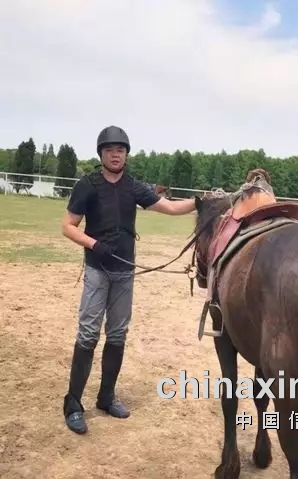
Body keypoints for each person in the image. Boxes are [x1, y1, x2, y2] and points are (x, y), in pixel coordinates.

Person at [61, 125, 196, 434]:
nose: (115, 154)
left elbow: (170, 207)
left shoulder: (134, 187)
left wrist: (201, 202)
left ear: (126, 154)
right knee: (88, 335)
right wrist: (93, 244)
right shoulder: (87, 185)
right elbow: (68, 226)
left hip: (124, 272)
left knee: (118, 334)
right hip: (97, 270)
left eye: (120, 150)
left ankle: (106, 397)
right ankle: (73, 405)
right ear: (101, 154)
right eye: (110, 150)